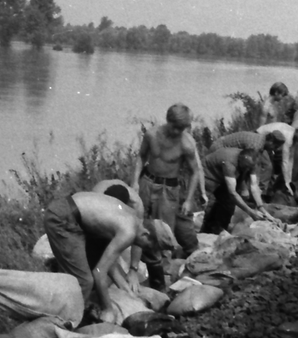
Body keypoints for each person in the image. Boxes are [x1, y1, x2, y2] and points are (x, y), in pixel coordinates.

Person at [43, 187, 172, 318]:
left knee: (88, 273)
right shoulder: (128, 232)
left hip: (71, 215)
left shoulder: (132, 216)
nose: (143, 249)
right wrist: (108, 309)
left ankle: (68, 310)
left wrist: (127, 291)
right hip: (63, 219)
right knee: (85, 281)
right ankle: (60, 320)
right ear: (146, 234)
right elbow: (99, 272)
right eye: (147, 246)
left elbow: (106, 259)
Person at [130, 103, 204, 257]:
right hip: (147, 182)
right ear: (168, 121)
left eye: (181, 128)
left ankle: (163, 266)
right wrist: (135, 181)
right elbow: (141, 157)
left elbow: (195, 172)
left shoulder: (187, 144)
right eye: (175, 127)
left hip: (169, 189)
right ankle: (138, 262)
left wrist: (189, 200)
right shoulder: (151, 134)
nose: (178, 131)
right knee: (138, 221)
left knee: (164, 230)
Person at [201, 141, 276, 234]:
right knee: (210, 203)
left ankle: (219, 229)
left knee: (228, 205)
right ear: (240, 161)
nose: (247, 170)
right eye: (245, 167)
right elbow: (232, 193)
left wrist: (263, 210)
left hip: (226, 175)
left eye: (249, 168)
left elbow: (254, 186)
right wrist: (251, 212)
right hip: (209, 174)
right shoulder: (230, 164)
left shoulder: (252, 162)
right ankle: (204, 231)